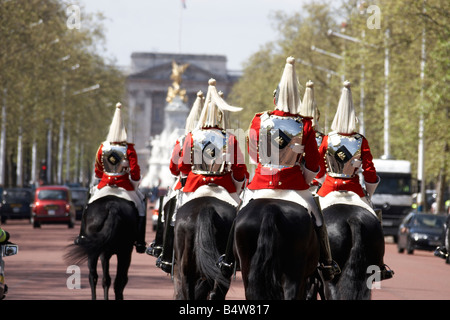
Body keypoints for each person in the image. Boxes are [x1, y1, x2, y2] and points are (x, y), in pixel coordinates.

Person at [220, 57, 339, 281]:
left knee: (238, 215)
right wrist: (301, 177)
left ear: (274, 98)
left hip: (261, 185)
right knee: (319, 220)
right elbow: (313, 164)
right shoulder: (305, 124)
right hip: (295, 185)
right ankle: (327, 262)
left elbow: (254, 156)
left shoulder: (259, 120)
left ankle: (227, 260)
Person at [316, 81, 394, 280]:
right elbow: (369, 172)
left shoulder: (327, 139)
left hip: (328, 190)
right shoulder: (360, 140)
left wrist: (317, 179)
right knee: (374, 220)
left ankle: (315, 260)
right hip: (354, 190)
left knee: (312, 220)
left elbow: (318, 167)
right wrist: (369, 192)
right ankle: (379, 266)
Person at [74, 102, 147, 253]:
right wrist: (134, 181)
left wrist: (104, 178)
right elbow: (134, 172)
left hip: (104, 185)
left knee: (89, 205)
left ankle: (82, 235)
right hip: (125, 186)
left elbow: (98, 170)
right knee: (141, 207)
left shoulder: (103, 147)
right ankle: (140, 241)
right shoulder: (129, 148)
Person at [150, 90, 205, 273]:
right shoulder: (224, 136)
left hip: (189, 185)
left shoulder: (183, 140)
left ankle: (164, 251)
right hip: (219, 186)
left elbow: (175, 169)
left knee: (168, 209)